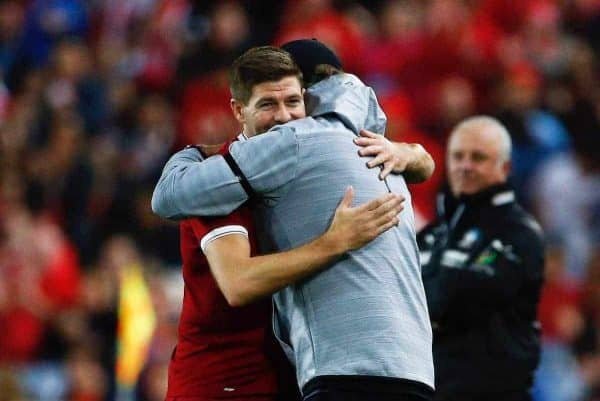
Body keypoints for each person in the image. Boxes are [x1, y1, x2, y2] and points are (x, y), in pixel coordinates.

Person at [152, 40, 435, 401]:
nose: (284, 118)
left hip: (305, 375)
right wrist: (334, 242)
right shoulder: (220, 176)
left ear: (309, 98)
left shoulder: (337, 148)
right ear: (238, 111)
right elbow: (238, 282)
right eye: (268, 104)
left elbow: (425, 164)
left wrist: (408, 152)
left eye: (292, 102)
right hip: (224, 382)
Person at [417, 116, 545, 401]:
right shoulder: (430, 234)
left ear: (505, 167)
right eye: (458, 156)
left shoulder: (520, 232)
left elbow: (459, 297)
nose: (465, 166)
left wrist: (424, 298)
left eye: (478, 158)